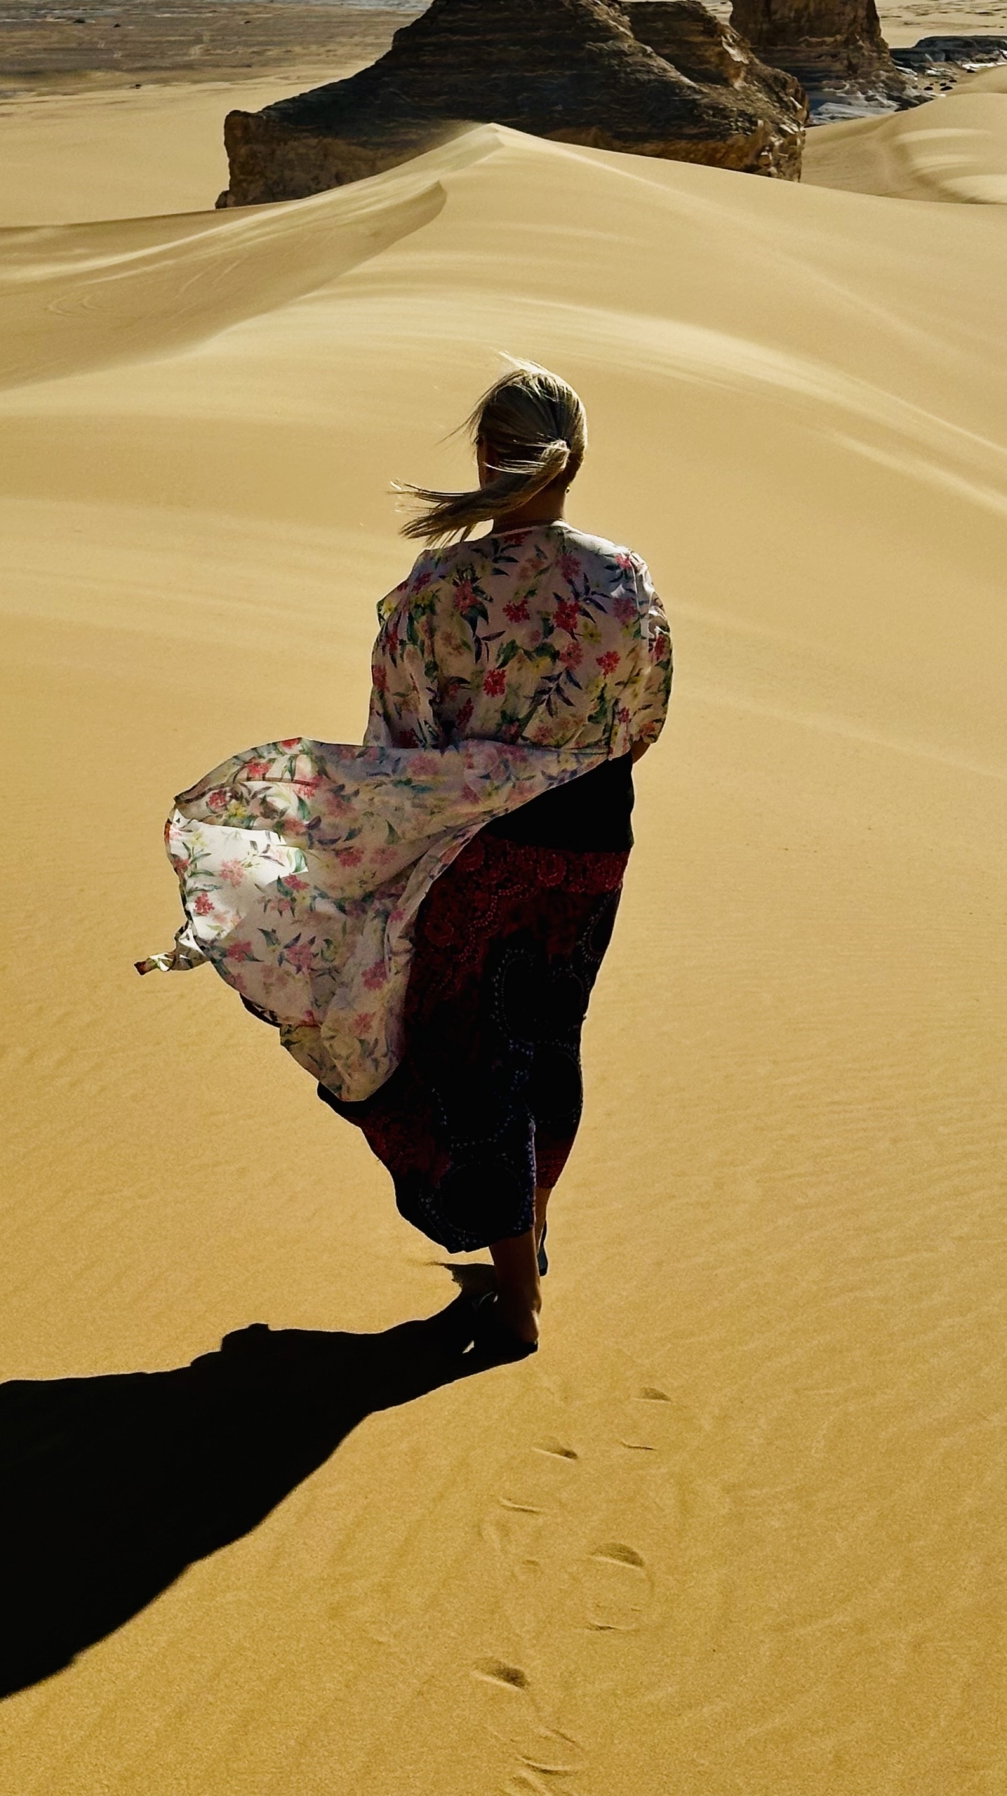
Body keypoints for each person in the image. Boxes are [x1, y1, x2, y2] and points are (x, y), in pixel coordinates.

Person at [147, 364, 671, 1359]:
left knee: (475, 1059)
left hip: (476, 842)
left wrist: (459, 793)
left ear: (486, 454)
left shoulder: (436, 590)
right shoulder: (623, 578)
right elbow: (643, 721)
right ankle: (528, 1235)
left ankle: (517, 1301)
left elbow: (403, 742)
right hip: (594, 840)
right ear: (574, 461)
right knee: (548, 1036)